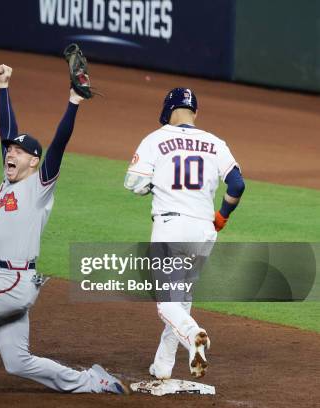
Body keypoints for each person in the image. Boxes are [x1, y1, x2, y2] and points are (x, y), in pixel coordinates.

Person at [0, 64, 129, 399]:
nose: (11, 152)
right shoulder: (6, 181)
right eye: (9, 150)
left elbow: (59, 144)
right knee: (18, 362)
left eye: (20, 151)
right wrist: (3, 86)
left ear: (34, 161)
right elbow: (6, 129)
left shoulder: (38, 186)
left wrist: (73, 102)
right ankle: (92, 381)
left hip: (12, 283)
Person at [124, 88, 245, 380]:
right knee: (181, 301)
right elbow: (237, 185)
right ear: (195, 114)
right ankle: (163, 366)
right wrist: (222, 216)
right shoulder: (215, 143)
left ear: (167, 111)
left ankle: (193, 334)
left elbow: (133, 183)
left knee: (166, 302)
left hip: (171, 229)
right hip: (204, 231)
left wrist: (153, 185)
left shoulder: (155, 139)